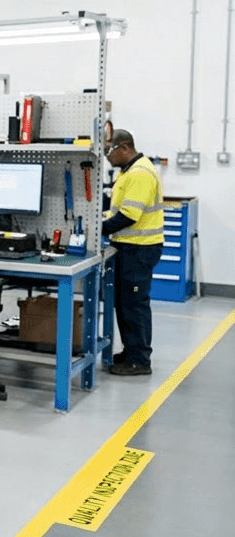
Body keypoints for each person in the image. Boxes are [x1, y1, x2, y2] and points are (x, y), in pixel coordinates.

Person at [102, 129, 163, 376]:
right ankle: (130, 352)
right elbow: (117, 210)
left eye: (109, 151)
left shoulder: (140, 174)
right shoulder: (129, 172)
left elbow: (129, 215)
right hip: (128, 248)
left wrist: (99, 229)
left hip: (140, 250)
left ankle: (139, 360)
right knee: (124, 304)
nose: (107, 157)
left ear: (124, 148)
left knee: (135, 306)